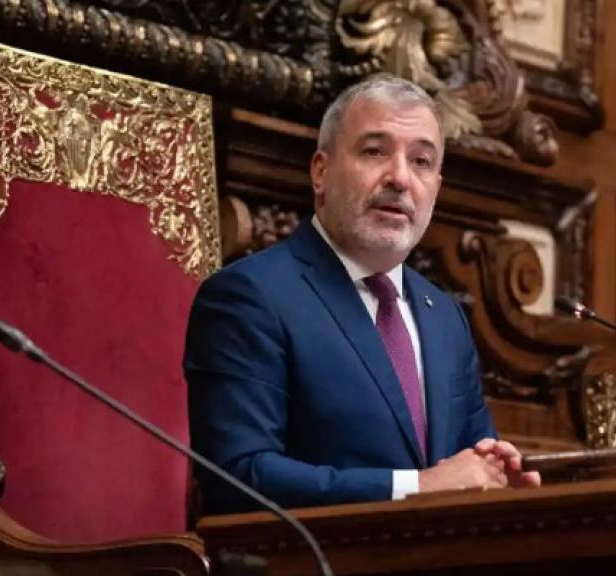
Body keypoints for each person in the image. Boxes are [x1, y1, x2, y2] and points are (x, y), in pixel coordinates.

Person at [185, 75, 541, 514]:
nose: (400, 178)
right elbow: (238, 475)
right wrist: (416, 486)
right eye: (374, 151)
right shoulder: (250, 297)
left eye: (421, 161)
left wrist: (501, 482)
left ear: (436, 186)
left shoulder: (446, 317)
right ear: (321, 172)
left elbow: (470, 467)